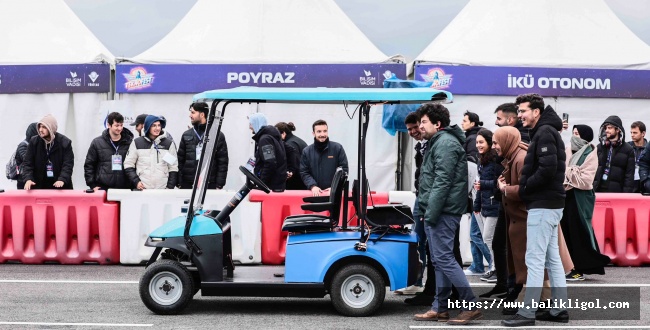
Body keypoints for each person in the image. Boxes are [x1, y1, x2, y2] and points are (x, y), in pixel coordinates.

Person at [502, 94, 568, 327]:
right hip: (549, 204)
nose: (519, 115)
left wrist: (525, 188)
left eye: (523, 111)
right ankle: (559, 310)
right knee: (552, 260)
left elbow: (547, 170)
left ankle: (527, 313)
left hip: (543, 204)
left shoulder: (545, 132)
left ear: (536, 112)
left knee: (535, 259)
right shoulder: (546, 131)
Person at [413, 103, 482, 325]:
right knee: (439, 260)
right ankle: (440, 307)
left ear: (437, 124)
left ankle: (470, 305)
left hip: (443, 211)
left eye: (424, 122)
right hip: (438, 210)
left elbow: (442, 182)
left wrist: (430, 212)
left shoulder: (445, 144)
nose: (420, 126)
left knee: (444, 258)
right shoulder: (439, 142)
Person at [562, 125, 611, 281]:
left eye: (578, 134)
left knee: (580, 231)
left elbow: (585, 180)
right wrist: (572, 171)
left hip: (581, 198)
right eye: (573, 133)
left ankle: (579, 268)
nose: (574, 136)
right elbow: (561, 170)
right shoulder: (568, 150)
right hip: (566, 195)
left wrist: (568, 171)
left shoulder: (591, 153)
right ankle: (568, 266)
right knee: (566, 231)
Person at [395, 112, 426, 296]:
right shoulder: (421, 147)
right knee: (418, 241)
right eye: (410, 129)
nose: (413, 131)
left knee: (421, 242)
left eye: (416, 127)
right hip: (421, 198)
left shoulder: (432, 145)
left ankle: (420, 282)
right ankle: (418, 282)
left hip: (426, 201)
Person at [473, 129, 503, 283]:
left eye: (481, 142)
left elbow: (500, 183)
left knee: (488, 238)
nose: (478, 145)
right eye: (477, 142)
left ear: (490, 143)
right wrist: (477, 205)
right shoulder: (482, 160)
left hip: (494, 205)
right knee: (488, 238)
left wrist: (482, 184)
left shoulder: (495, 160)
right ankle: (494, 268)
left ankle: (496, 268)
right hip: (486, 205)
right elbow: (479, 186)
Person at [177, 102, 228, 189]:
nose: (190, 115)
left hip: (209, 183)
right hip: (188, 183)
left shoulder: (217, 135)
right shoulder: (186, 135)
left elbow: (222, 162)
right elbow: (180, 160)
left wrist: (219, 184)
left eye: (193, 112)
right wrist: (179, 182)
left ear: (202, 114)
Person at [124, 115, 178, 189]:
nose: (157, 128)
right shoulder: (137, 142)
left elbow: (173, 167)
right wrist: (136, 181)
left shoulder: (168, 144)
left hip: (163, 190)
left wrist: (169, 187)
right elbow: (128, 164)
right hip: (143, 189)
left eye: (159, 125)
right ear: (147, 126)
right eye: (154, 126)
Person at [84, 112, 134, 190]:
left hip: (125, 187)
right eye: (116, 125)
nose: (120, 128)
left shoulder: (130, 142)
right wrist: (92, 185)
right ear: (109, 125)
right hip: (103, 188)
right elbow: (89, 165)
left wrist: (134, 183)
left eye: (121, 125)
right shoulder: (97, 142)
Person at [22, 114, 74, 190]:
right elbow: (27, 163)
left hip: (60, 187)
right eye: (39, 126)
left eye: (44, 127)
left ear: (51, 128)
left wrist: (62, 179)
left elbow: (68, 165)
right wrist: (28, 179)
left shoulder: (65, 143)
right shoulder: (34, 142)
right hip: (40, 186)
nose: (40, 130)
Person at [300, 119, 349, 197]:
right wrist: (312, 186)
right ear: (313, 133)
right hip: (314, 194)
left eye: (325, 131)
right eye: (319, 131)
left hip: (333, 194)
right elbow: (304, 172)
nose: (322, 134)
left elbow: (344, 170)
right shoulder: (307, 151)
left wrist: (335, 187)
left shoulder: (337, 148)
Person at [593, 116, 635, 193]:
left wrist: (626, 195)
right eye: (605, 128)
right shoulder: (599, 147)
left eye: (609, 128)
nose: (606, 130)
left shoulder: (628, 150)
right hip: (598, 191)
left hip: (617, 193)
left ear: (618, 130)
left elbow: (629, 176)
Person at [249, 113, 287, 192]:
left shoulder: (265, 139)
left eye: (251, 123)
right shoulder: (272, 137)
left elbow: (270, 162)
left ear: (257, 123)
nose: (250, 127)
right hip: (277, 184)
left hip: (270, 186)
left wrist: (262, 183)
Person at [275, 122, 308, 190]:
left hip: (296, 184)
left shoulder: (289, 144)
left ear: (283, 133)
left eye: (276, 135)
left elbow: (294, 164)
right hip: (303, 181)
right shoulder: (297, 140)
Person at [14, 122, 38, 190]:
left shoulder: (35, 144)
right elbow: (27, 160)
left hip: (32, 178)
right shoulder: (23, 145)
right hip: (23, 180)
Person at [628, 121, 646, 192]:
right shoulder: (627, 147)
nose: (632, 135)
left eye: (635, 133)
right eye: (631, 132)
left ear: (643, 133)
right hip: (630, 184)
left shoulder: (648, 149)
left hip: (645, 183)